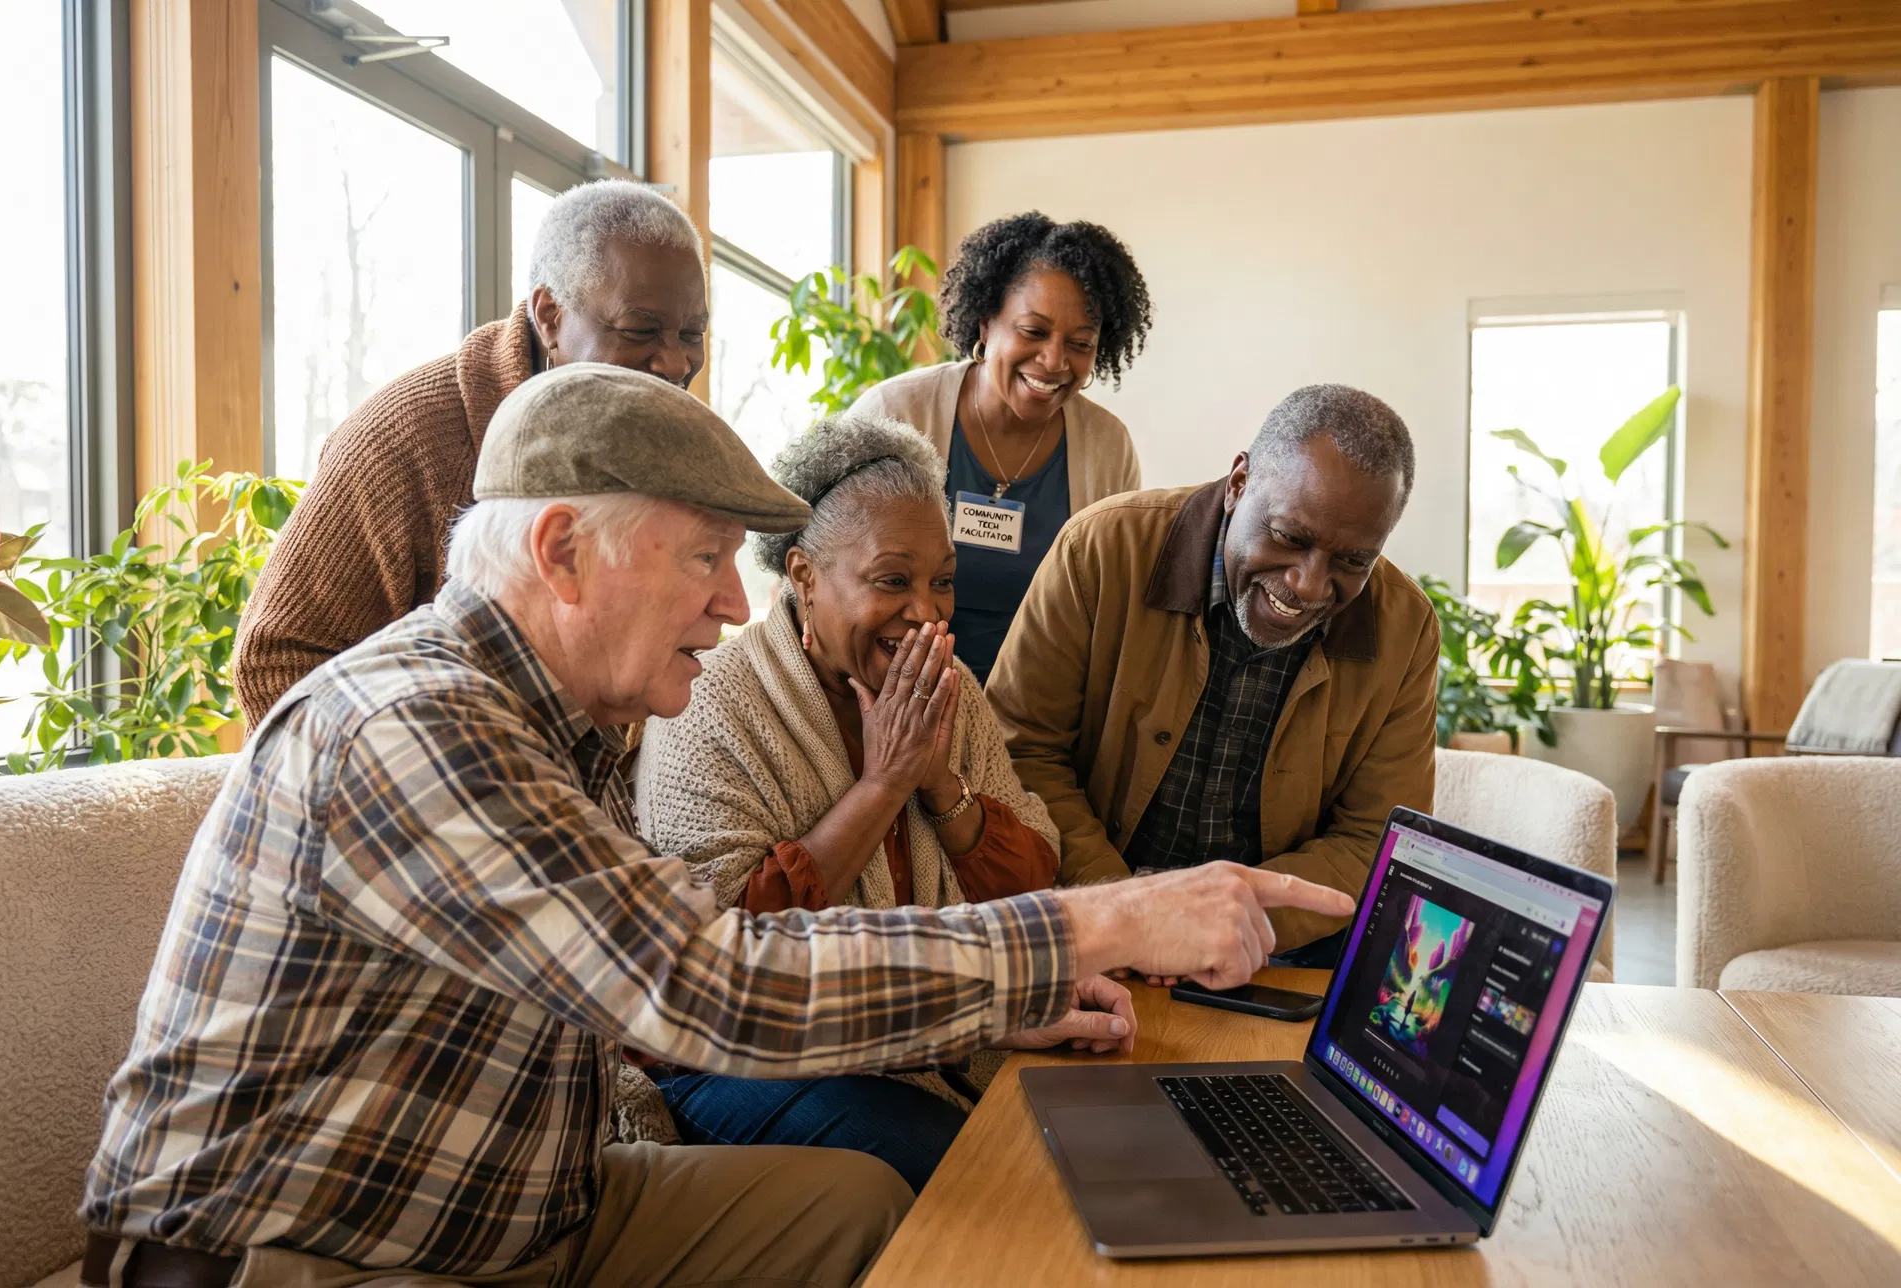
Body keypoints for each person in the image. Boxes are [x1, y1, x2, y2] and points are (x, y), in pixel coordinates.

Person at [78, 365, 1356, 1288]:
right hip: (318, 1250)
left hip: (530, 1208)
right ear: (564, 550)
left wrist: (984, 1003)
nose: (733, 607)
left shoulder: (568, 725)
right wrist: (1107, 918)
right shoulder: (413, 724)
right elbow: (711, 982)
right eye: (704, 559)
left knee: (858, 1207)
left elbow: (660, 975)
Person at [635, 414, 1058, 1192]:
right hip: (736, 1061)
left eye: (943, 581)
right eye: (893, 580)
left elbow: (1032, 886)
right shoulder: (708, 704)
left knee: (1079, 1137)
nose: (927, 611)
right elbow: (726, 956)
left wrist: (939, 784)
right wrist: (883, 785)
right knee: (971, 1174)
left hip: (931, 1042)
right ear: (803, 577)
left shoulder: (952, 693)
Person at [988, 384, 1439, 969]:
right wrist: (1128, 914)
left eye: (1352, 561)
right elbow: (1020, 752)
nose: (1307, 584)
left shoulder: (1406, 629)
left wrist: (1222, 925)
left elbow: (1376, 838)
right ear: (1238, 484)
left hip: (1274, 950)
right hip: (1089, 924)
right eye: (1290, 537)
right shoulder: (1099, 550)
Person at [233, 178, 710, 728]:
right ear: (550, 315)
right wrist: (455, 767)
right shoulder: (405, 440)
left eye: (691, 334)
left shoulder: (650, 436)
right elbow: (275, 658)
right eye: (640, 330)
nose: (675, 364)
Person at [851, 212, 1152, 681]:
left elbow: (1112, 607)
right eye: (1033, 332)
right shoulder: (896, 411)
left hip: (1038, 705)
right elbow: (828, 566)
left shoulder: (1108, 448)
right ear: (986, 322)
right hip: (889, 688)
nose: (1054, 360)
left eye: (1080, 343)